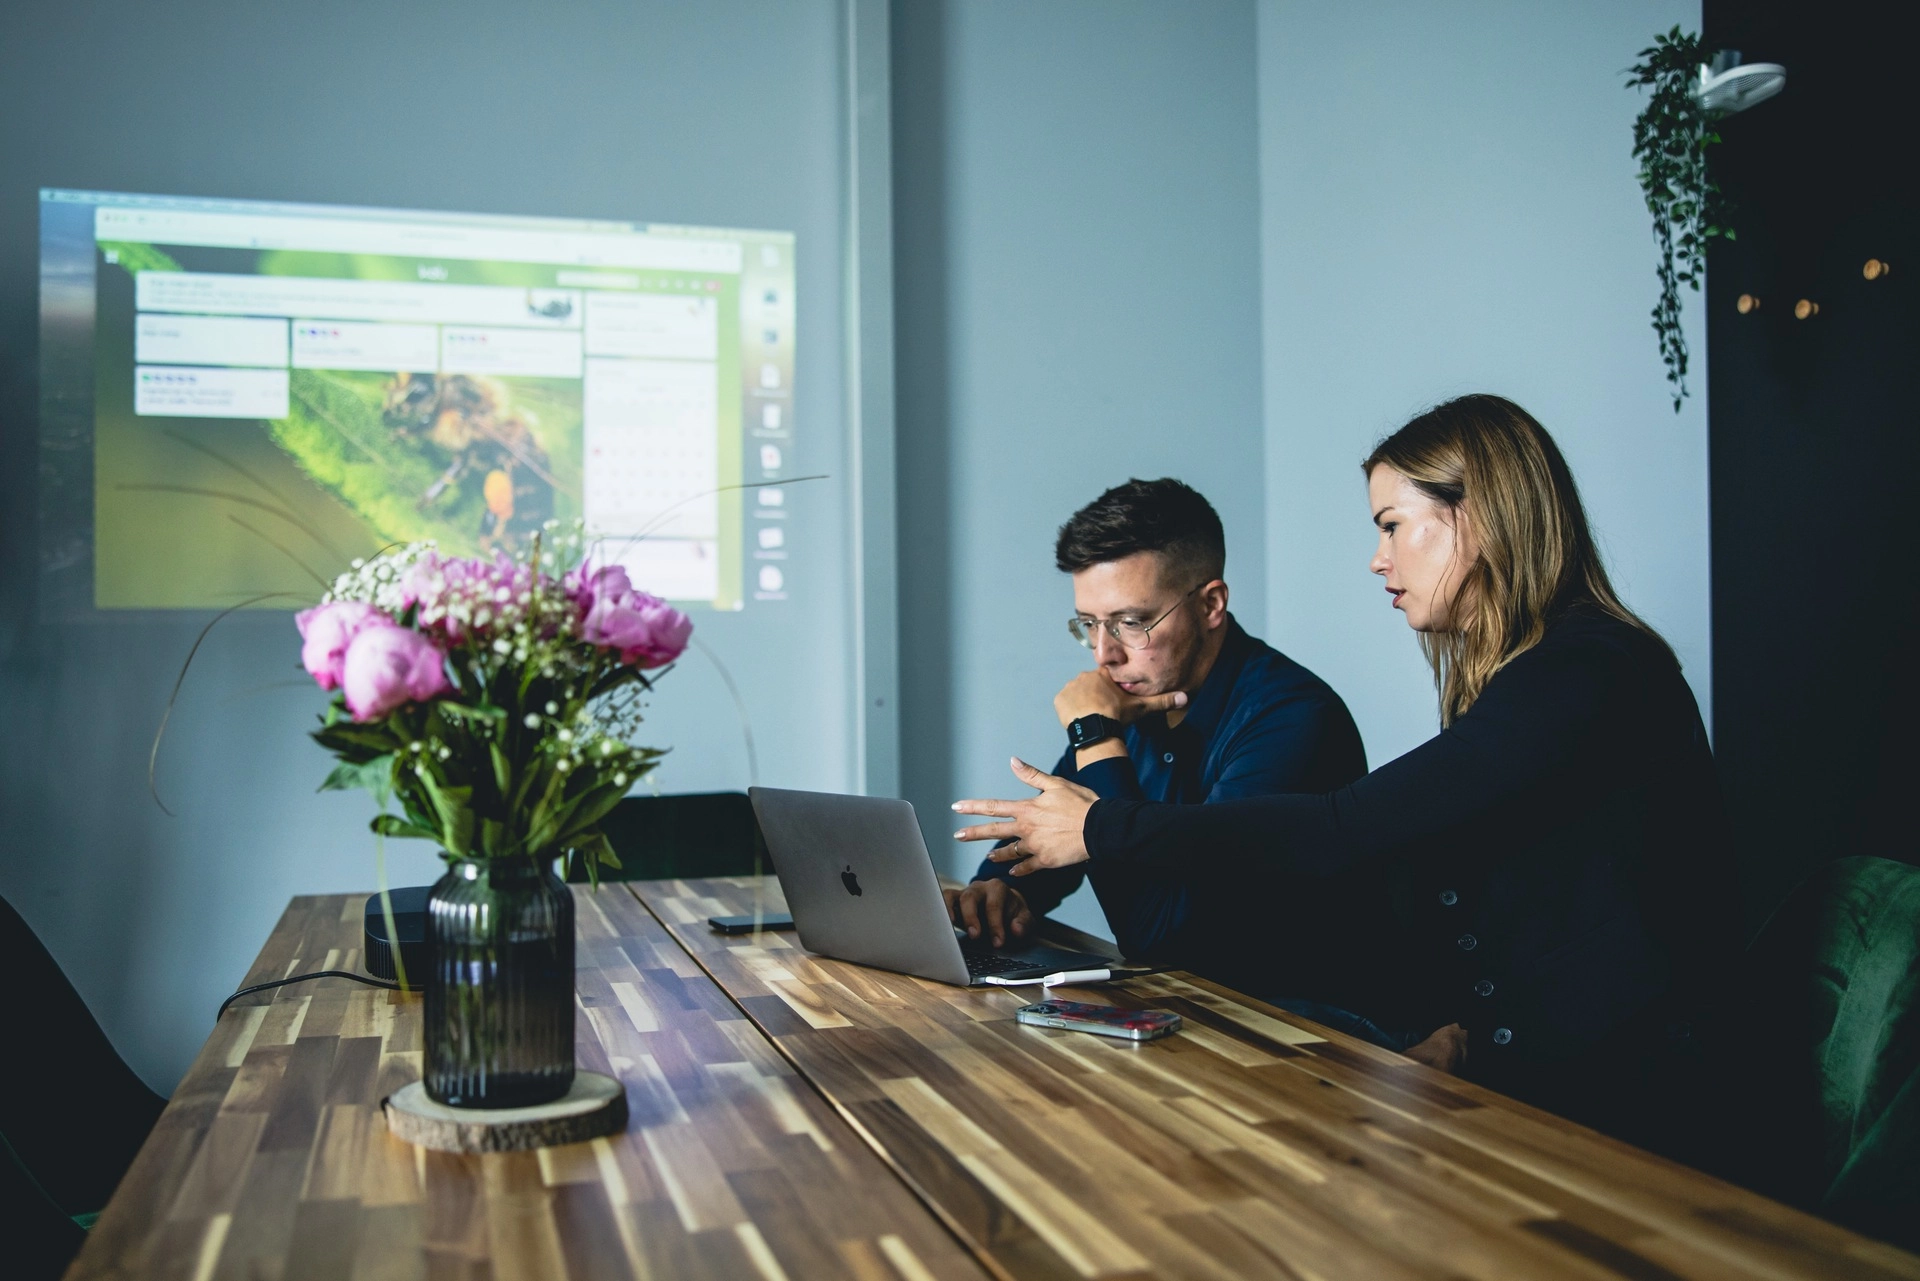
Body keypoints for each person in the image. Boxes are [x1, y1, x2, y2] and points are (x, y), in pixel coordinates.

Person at [954, 396, 1737, 1153]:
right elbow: (1531, 906)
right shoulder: (1535, 676)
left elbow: (1341, 830)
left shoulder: (1583, 673)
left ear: (1483, 516)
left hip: (1632, 1100)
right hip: (1520, 1057)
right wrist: (1000, 889)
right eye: (1090, 626)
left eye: (1391, 525)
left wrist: (1098, 812)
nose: (1377, 557)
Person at [945, 478, 1366, 995]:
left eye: (1130, 622)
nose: (1104, 654)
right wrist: (997, 894)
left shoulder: (1294, 719)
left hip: (1296, 1028)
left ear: (1211, 605)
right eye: (1089, 624)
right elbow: (1049, 836)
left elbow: (1166, 938)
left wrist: (1095, 735)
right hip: (1189, 1013)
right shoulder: (1134, 697)